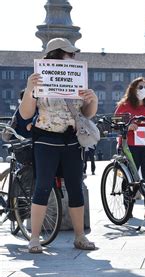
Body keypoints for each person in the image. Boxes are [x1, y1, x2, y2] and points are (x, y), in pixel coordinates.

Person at [18, 37, 98, 253]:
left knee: (75, 187)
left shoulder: (77, 78)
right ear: (56, 55)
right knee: (43, 186)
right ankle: (35, 239)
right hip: (46, 139)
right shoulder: (38, 79)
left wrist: (92, 99)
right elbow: (26, 114)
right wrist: (29, 89)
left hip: (71, 139)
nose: (74, 57)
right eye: (70, 54)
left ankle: (80, 237)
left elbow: (86, 114)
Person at [115, 77, 145, 218]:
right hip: (130, 146)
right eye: (139, 87)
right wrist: (128, 126)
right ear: (133, 89)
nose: (143, 90)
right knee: (130, 177)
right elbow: (116, 124)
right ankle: (128, 209)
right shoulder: (124, 105)